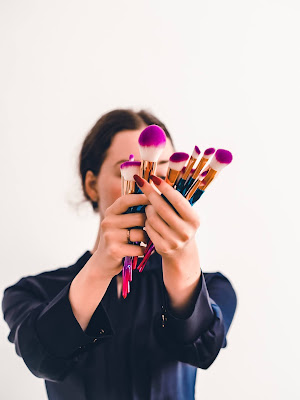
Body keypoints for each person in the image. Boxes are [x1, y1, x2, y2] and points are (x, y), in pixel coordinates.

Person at [2, 109, 237, 400]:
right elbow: (43, 356)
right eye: (132, 171)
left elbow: (202, 349)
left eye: (164, 171)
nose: (150, 186)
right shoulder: (31, 292)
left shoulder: (213, 288)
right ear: (91, 185)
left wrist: (182, 258)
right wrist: (99, 268)